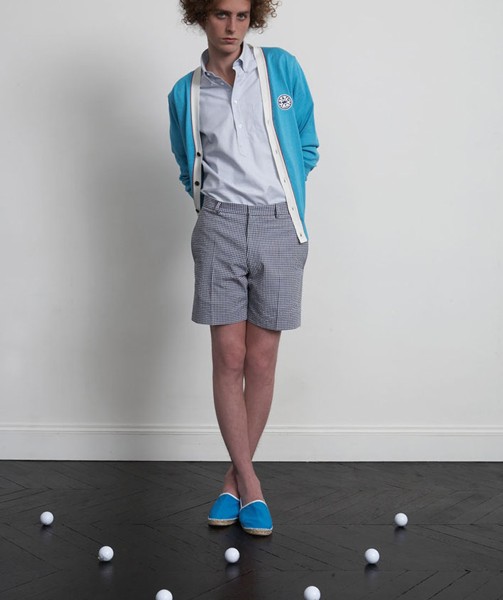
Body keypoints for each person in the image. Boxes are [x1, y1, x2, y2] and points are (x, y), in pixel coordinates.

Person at [168, 0, 319, 536]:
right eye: (220, 15)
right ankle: (252, 485)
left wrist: (281, 193)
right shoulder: (184, 93)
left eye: (240, 15)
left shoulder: (282, 69)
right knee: (228, 357)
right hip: (220, 227)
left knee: (261, 359)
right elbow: (188, 163)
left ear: (254, 16)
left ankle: (233, 481)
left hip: (280, 224)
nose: (231, 27)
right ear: (200, 17)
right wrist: (217, 207)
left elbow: (307, 143)